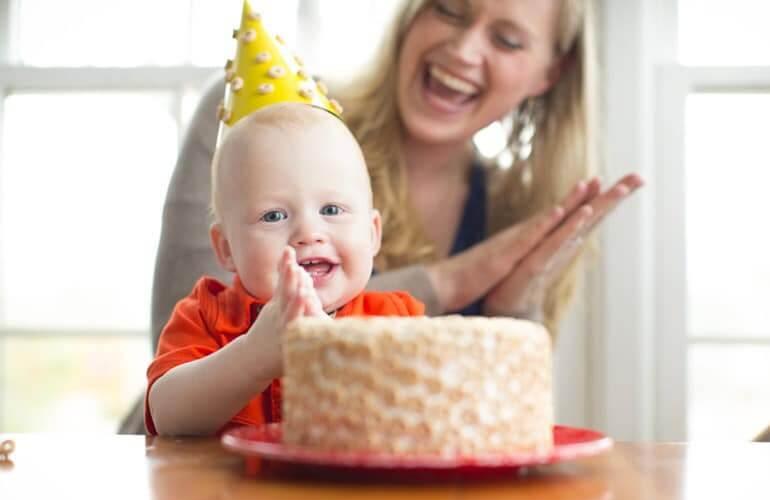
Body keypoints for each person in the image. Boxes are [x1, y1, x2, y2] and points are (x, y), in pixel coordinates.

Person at [124, 0, 643, 434]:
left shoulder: (398, 315)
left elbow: (475, 419)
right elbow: (169, 390)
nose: (463, 51)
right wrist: (453, 280)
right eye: (448, 9)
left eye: (507, 40)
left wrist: (513, 306)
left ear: (551, 71)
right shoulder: (257, 139)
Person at [145, 104, 425, 436]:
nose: (308, 232)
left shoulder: (398, 321)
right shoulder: (206, 316)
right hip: (230, 488)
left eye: (331, 209)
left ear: (372, 232)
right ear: (226, 248)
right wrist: (252, 357)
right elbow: (167, 416)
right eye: (273, 216)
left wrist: (341, 354)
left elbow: (424, 417)